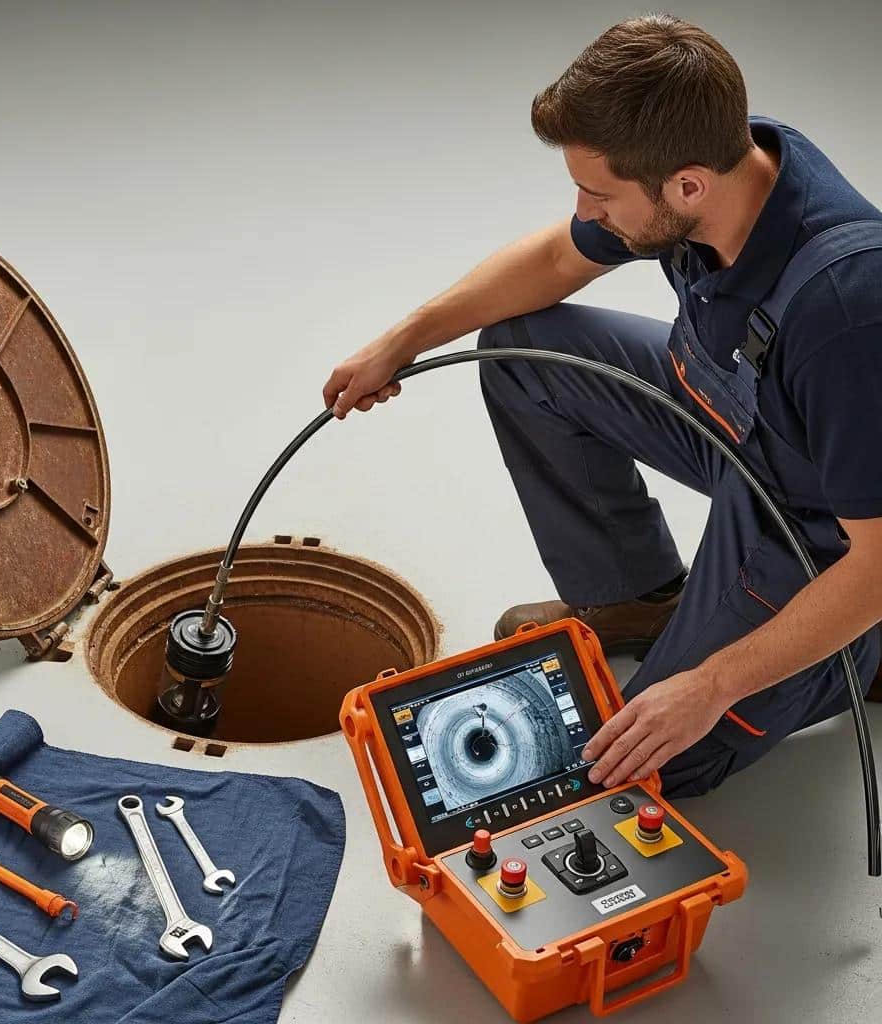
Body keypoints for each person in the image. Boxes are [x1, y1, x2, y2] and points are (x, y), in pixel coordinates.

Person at [321, 13, 882, 798]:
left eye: (598, 194)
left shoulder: (846, 314)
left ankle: (854, 657)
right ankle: (638, 598)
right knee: (521, 353)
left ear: (688, 185)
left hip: (824, 527)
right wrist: (406, 337)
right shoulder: (718, 170)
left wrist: (712, 685)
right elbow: (556, 259)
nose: (587, 215)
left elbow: (878, 564)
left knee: (642, 756)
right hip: (742, 428)